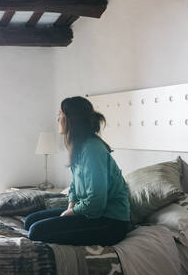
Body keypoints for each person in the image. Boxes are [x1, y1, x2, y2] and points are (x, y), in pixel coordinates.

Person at [24, 96, 130, 246]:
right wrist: (71, 206)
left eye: (60, 114)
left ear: (72, 119)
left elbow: (97, 201)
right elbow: (74, 184)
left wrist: (72, 214)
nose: (57, 119)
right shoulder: (79, 146)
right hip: (90, 213)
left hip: (110, 221)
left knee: (36, 231)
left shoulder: (92, 149)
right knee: (30, 221)